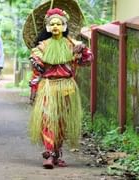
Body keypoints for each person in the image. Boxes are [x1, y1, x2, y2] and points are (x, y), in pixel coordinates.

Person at [28, 8, 93, 169]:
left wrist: (83, 50)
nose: (56, 26)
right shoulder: (41, 47)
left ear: (65, 26)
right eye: (53, 24)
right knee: (48, 120)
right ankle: (48, 154)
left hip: (67, 88)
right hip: (48, 87)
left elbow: (87, 61)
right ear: (48, 27)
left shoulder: (74, 45)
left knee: (62, 122)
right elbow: (36, 72)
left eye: (59, 23)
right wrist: (33, 90)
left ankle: (56, 153)